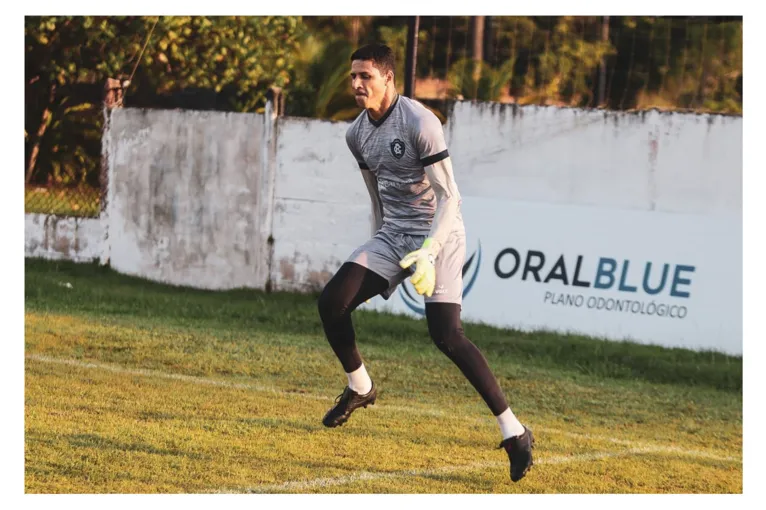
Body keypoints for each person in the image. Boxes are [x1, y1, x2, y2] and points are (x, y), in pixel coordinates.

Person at [316, 43, 535, 482]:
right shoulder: (356, 133)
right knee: (331, 301)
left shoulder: (420, 122)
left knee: (446, 336)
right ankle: (360, 387)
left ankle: (514, 432)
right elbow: (375, 195)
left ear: (388, 79)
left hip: (441, 233)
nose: (357, 84)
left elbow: (451, 196)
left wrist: (430, 252)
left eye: (366, 77)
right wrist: (378, 249)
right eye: (353, 76)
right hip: (393, 234)